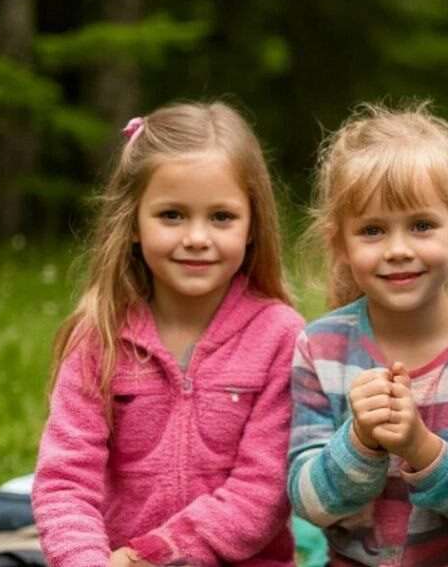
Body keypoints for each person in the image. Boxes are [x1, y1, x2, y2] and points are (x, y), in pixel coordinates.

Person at [32, 102, 304, 567]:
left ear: (253, 225)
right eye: (172, 215)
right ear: (133, 223)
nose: (196, 237)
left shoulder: (280, 336)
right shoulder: (100, 337)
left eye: (221, 217)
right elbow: (65, 482)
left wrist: (150, 557)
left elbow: (262, 493)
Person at [287, 104, 448, 566]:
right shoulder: (321, 349)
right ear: (340, 243)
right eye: (373, 230)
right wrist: (359, 441)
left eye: (421, 225)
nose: (398, 250)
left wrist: (423, 449)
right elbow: (309, 505)